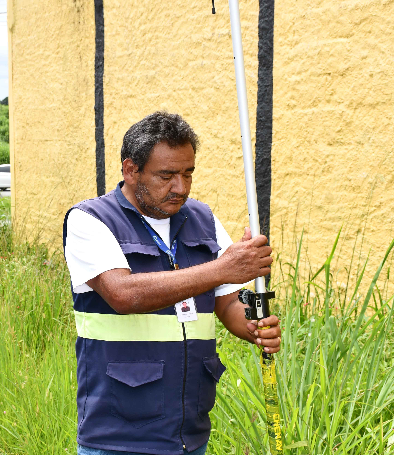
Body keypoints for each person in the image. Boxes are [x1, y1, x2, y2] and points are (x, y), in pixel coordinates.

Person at [63, 111, 281, 455]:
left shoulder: (204, 219)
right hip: (118, 434)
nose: (180, 187)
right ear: (130, 170)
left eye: (188, 173)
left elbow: (227, 303)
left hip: (189, 432)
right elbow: (123, 295)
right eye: (167, 175)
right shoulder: (90, 220)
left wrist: (254, 327)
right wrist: (222, 269)